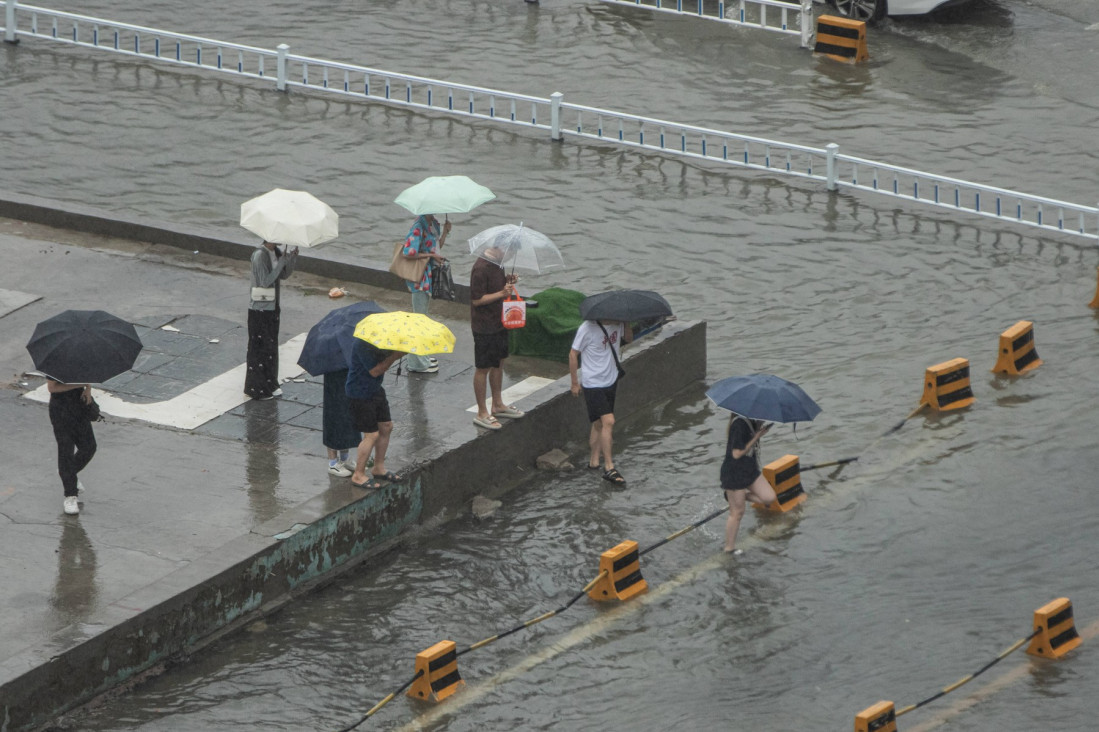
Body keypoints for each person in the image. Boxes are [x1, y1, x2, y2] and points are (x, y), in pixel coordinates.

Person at [569, 318, 632, 486]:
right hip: (593, 383)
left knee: (598, 423)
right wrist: (575, 382)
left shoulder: (618, 323)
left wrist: (627, 323)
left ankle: (594, 461)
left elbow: (629, 339)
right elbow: (573, 353)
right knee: (609, 421)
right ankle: (609, 466)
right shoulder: (587, 328)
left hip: (610, 380)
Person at [469, 246, 525, 429]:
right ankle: (481, 411)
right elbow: (477, 299)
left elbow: (495, 287)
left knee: (499, 363)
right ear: (499, 248)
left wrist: (507, 281)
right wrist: (502, 293)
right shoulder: (481, 268)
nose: (511, 256)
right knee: (483, 368)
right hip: (484, 326)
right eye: (510, 252)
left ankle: (498, 404)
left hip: (500, 321)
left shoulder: (498, 264)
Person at [346, 338, 404, 490]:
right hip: (360, 393)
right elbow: (375, 371)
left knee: (386, 426)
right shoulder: (362, 345)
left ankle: (378, 467)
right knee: (371, 435)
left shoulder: (381, 343)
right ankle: (358, 474)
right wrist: (395, 356)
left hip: (375, 389)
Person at [245, 240, 298, 400]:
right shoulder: (260, 255)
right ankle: (258, 388)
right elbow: (265, 282)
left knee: (271, 347)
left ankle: (271, 383)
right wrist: (281, 262)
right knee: (261, 349)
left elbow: (283, 275)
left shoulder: (276, 252)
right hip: (260, 308)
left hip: (273, 306)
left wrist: (291, 259)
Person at [400, 214, 450, 374]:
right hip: (419, 279)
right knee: (418, 320)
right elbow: (408, 252)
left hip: (428, 277)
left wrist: (445, 234)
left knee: (423, 318)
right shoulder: (418, 227)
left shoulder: (433, 224)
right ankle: (416, 362)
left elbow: (436, 249)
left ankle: (423, 355)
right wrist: (430, 256)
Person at [720, 415, 777, 554]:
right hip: (734, 472)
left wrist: (758, 431)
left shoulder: (751, 423)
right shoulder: (739, 424)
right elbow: (736, 453)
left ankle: (738, 496)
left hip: (749, 469)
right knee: (737, 512)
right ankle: (729, 549)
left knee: (769, 497)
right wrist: (757, 436)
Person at [47, 380, 97, 515]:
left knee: (89, 447)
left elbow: (87, 378)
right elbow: (52, 388)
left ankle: (65, 471)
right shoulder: (55, 360)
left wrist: (88, 388)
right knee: (66, 451)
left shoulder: (83, 360)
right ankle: (70, 496)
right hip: (60, 410)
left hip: (79, 406)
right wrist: (78, 384)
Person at [322, 368, 360, 477]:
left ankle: (345, 457)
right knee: (334, 412)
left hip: (347, 369)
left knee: (348, 411)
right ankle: (333, 462)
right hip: (334, 370)